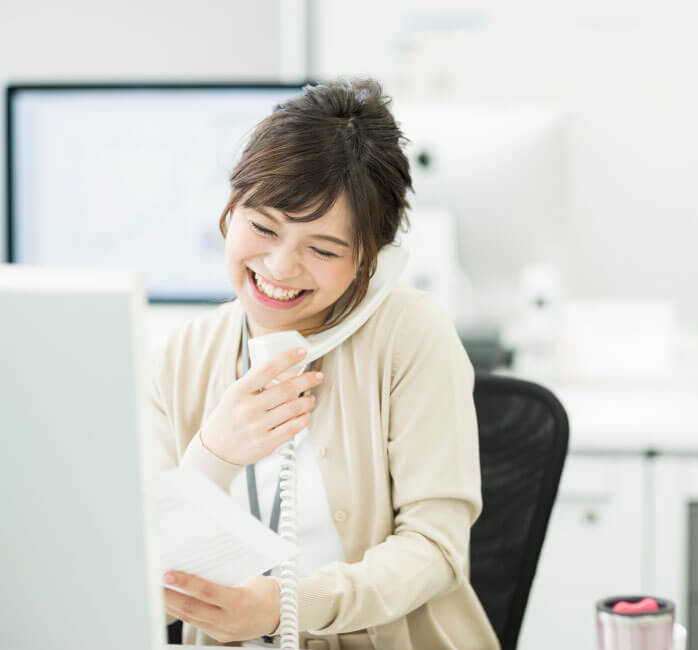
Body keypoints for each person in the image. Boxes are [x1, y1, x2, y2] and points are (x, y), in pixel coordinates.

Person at [150, 78, 499, 649]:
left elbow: (436, 549)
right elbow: (146, 558)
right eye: (262, 227)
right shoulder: (180, 355)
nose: (281, 267)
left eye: (324, 249)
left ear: (372, 259)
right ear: (229, 209)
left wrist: (288, 608)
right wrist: (212, 455)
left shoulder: (412, 334)